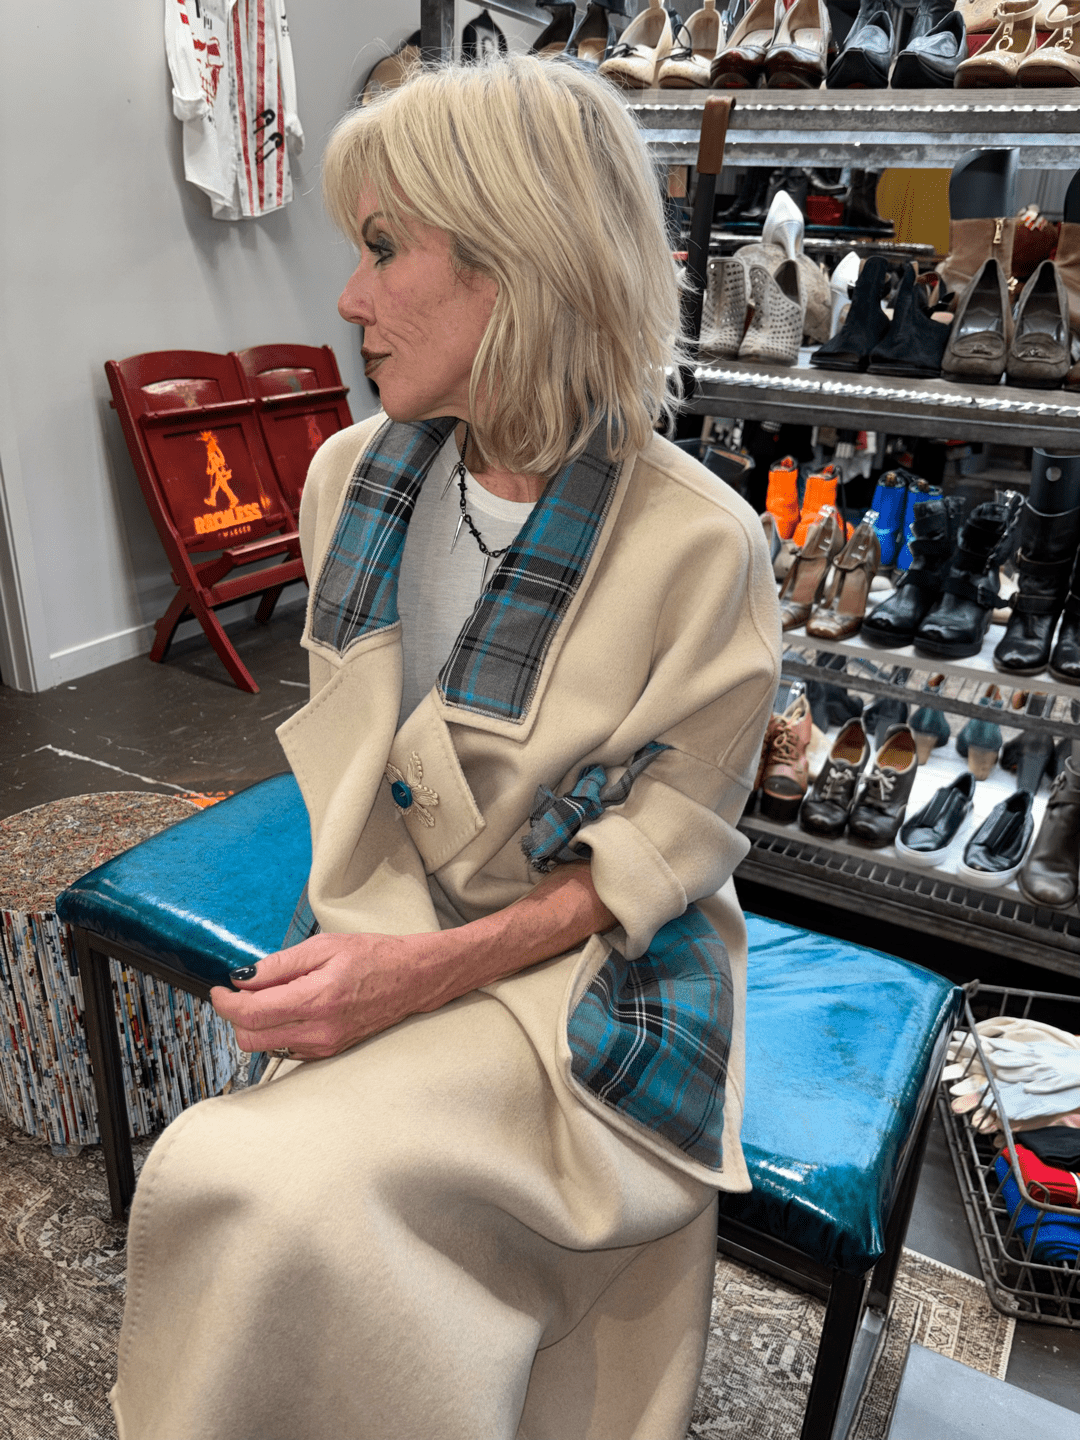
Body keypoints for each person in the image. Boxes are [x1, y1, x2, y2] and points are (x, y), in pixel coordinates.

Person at [110, 55, 780, 1440]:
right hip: (387, 921)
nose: (347, 299)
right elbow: (378, 791)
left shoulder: (703, 546)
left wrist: (419, 977)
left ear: (517, 262)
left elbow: (660, 858)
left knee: (254, 1188)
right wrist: (379, 956)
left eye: (380, 248)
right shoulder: (345, 480)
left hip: (595, 980)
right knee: (254, 1194)